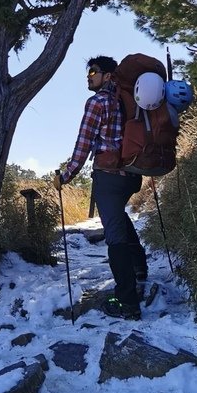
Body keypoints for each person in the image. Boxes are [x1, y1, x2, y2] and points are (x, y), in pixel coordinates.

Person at [55, 55, 147, 320]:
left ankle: (128, 302)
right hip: (131, 175)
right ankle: (139, 267)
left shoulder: (98, 102)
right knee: (119, 218)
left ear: (107, 76)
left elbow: (84, 143)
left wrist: (66, 175)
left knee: (114, 235)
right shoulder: (127, 101)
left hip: (108, 176)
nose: (89, 76)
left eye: (93, 72)